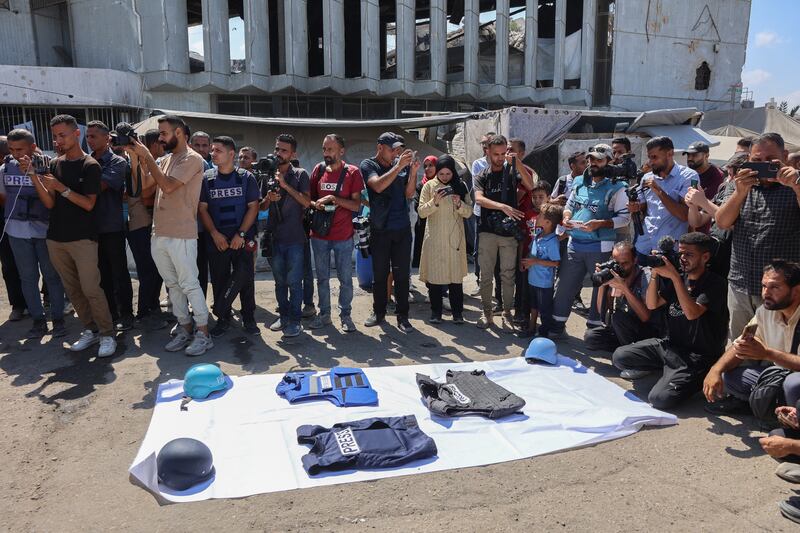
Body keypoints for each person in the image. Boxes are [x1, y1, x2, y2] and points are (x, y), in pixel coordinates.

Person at [125, 114, 212, 356]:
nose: (160, 138)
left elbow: (168, 186)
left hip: (181, 233)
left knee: (189, 284)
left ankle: (203, 333)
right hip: (159, 232)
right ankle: (185, 327)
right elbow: (145, 188)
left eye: (164, 133)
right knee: (173, 286)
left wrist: (147, 156)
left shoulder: (192, 158)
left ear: (179, 133)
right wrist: (136, 158)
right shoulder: (164, 160)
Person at [32, 114, 117, 357]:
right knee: (73, 290)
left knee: (91, 288)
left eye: (63, 135)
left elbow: (89, 204)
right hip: (56, 238)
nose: (58, 140)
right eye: (55, 136)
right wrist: (33, 177)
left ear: (76, 133)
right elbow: (49, 202)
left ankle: (107, 334)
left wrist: (62, 188)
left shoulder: (90, 165)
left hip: (83, 238)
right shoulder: (54, 164)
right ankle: (90, 329)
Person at [613, 232, 728, 409]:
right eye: (681, 253)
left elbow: (692, 313)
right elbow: (652, 304)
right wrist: (655, 274)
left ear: (705, 257)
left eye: (689, 254)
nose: (683, 259)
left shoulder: (715, 283)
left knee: (659, 399)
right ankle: (669, 372)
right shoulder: (681, 277)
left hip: (697, 357)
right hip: (671, 346)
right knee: (620, 357)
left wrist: (674, 278)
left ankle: (700, 378)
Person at [715, 133, 800, 342]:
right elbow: (722, 222)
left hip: (781, 289)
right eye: (757, 160)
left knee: (778, 349)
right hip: (740, 284)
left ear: (785, 156)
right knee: (739, 345)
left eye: (770, 160)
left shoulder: (795, 184)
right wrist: (740, 192)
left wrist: (796, 186)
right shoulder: (740, 184)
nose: (764, 165)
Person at [551, 144, 630, 335]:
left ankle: (595, 329)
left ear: (609, 161)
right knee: (565, 286)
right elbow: (570, 205)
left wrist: (600, 224)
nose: (593, 163)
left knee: (599, 288)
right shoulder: (579, 181)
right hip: (574, 244)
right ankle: (556, 326)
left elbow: (624, 218)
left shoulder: (619, 187)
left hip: (600, 247)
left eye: (599, 160)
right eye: (591, 159)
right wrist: (566, 217)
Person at [703, 260, 800, 415]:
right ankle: (771, 408)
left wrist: (767, 354)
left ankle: (790, 419)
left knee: (793, 384)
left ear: (796, 291)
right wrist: (715, 369)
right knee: (729, 377)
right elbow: (741, 345)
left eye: (774, 287)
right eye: (764, 286)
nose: (766, 293)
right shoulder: (765, 311)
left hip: (795, 380)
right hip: (780, 374)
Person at [0, 129, 66, 338]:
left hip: (44, 230)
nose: (15, 154)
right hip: (16, 231)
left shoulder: (47, 166)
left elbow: (51, 201)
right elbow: (4, 198)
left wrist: (33, 175)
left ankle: (58, 319)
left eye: (20, 149)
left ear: (33, 147)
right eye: (11, 149)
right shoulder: (4, 169)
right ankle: (38, 320)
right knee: (27, 277)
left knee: (52, 276)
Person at [197, 136, 260, 338]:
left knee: (245, 278)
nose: (212, 154)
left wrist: (240, 234)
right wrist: (215, 234)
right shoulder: (207, 178)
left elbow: (253, 207)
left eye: (218, 150)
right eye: (212, 150)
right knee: (219, 279)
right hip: (218, 241)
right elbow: (202, 209)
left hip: (241, 238)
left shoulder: (246, 178)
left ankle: (248, 317)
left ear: (231, 154)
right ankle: (223, 318)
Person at [360, 132, 420, 333]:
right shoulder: (369, 165)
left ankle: (403, 316)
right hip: (380, 229)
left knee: (402, 275)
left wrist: (413, 172)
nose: (396, 153)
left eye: (398, 149)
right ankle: (379, 312)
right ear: (380, 147)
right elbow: (377, 186)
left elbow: (409, 194)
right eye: (392, 149)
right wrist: (399, 167)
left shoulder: (400, 166)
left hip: (402, 228)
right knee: (380, 275)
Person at [473, 134, 534, 330]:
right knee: (486, 275)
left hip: (508, 233)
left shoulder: (513, 171)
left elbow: (530, 185)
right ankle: (487, 312)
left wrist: (517, 163)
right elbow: (479, 199)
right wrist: (502, 206)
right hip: (487, 231)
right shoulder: (482, 175)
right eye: (496, 154)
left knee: (508, 275)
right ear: (488, 152)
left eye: (503, 153)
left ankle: (507, 313)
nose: (500, 158)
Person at [307, 134, 363, 333]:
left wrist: (334, 198)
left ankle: (345, 315)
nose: (326, 153)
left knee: (345, 279)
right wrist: (317, 205)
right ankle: (324, 315)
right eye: (324, 149)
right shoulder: (318, 170)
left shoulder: (353, 173)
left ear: (341, 151)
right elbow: (309, 200)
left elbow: (356, 205)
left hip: (343, 236)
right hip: (319, 235)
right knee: (322, 278)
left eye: (330, 149)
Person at [85, 121, 135, 332]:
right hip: (90, 228)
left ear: (107, 139)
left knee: (119, 272)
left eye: (94, 136)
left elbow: (98, 186)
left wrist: (78, 180)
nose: (90, 140)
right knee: (101, 274)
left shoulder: (117, 162)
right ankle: (110, 314)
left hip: (112, 226)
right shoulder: (85, 161)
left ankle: (126, 314)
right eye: (88, 136)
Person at [262, 133, 311, 338]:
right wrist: (268, 198)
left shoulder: (300, 174)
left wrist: (285, 186)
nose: (278, 153)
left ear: (293, 154)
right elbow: (261, 206)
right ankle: (283, 317)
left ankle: (295, 321)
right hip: (275, 238)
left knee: (295, 282)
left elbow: (307, 202)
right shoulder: (267, 173)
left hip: (295, 239)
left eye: (284, 150)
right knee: (280, 282)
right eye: (277, 149)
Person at [418, 155, 473, 324]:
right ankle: (436, 313)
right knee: (435, 278)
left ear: (453, 172)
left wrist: (459, 204)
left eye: (448, 174)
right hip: (435, 240)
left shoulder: (461, 186)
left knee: (455, 279)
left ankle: (458, 314)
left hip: (456, 240)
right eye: (441, 174)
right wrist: (434, 202)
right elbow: (421, 212)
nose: (445, 177)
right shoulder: (429, 186)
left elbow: (469, 212)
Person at [584, 241, 660, 352]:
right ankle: (627, 351)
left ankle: (631, 354)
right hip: (623, 328)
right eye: (617, 263)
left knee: (618, 317)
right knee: (591, 338)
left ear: (635, 260)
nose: (620, 267)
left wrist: (624, 288)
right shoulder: (613, 272)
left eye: (624, 263)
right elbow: (601, 311)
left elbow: (646, 317)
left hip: (645, 329)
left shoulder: (646, 276)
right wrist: (602, 283)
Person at [685, 152, 748, 280]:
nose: (729, 180)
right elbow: (697, 221)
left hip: (732, 256)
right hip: (715, 251)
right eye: (728, 175)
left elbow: (729, 223)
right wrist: (693, 205)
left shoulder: (749, 194)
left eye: (732, 175)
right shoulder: (723, 190)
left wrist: (703, 201)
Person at [630, 136, 695, 261]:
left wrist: (659, 191)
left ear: (670, 153)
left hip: (670, 251)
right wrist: (635, 209)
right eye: (649, 157)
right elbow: (642, 213)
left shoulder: (688, 176)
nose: (650, 162)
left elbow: (684, 215)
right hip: (644, 247)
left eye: (654, 157)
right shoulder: (646, 178)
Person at [126, 129, 166, 329]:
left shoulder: (154, 164)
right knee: (147, 271)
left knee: (157, 270)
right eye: (161, 142)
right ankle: (144, 313)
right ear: (153, 145)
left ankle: (153, 308)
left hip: (151, 223)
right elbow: (146, 195)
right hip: (139, 224)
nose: (164, 146)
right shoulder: (135, 164)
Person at [520, 203, 563, 337]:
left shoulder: (552, 241)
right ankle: (531, 328)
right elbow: (532, 253)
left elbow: (556, 262)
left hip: (544, 283)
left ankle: (544, 334)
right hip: (532, 279)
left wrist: (535, 262)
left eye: (540, 215)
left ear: (548, 222)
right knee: (533, 306)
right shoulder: (538, 235)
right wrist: (527, 262)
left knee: (544, 310)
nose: (537, 217)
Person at [515, 181, 550, 327]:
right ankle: (525, 317)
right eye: (534, 197)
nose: (537, 200)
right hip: (527, 259)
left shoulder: (553, 215)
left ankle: (545, 322)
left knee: (543, 292)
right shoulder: (527, 214)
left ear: (548, 197)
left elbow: (561, 235)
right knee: (525, 290)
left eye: (541, 197)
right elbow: (522, 238)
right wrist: (520, 259)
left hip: (545, 262)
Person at [0, 135, 26, 322]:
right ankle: (18, 305)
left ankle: (47, 299)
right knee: (9, 265)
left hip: (23, 222)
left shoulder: (19, 169)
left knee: (36, 265)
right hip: (4, 227)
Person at [469, 131, 495, 291]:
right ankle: (480, 282)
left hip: (498, 213)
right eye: (483, 144)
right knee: (479, 249)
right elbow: (478, 188)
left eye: (487, 143)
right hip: (481, 213)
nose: (484, 146)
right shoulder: (478, 164)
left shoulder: (504, 163)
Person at [412, 155, 438, 268]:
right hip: (423, 224)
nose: (427, 169)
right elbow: (417, 206)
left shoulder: (442, 184)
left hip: (439, 223)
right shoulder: (420, 185)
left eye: (431, 165)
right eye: (425, 166)